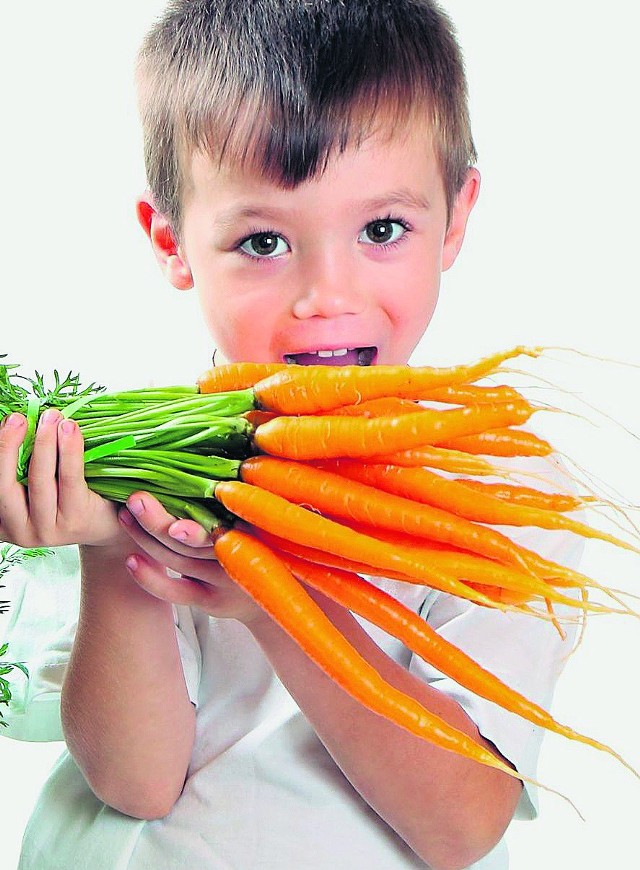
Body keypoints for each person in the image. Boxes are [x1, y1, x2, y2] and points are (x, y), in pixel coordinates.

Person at [0, 2, 582, 867]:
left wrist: (283, 606)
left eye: (382, 230)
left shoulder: (500, 496)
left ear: (455, 216)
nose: (326, 295)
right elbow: (136, 782)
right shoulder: (128, 470)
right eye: (264, 240)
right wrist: (106, 551)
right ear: (171, 239)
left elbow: (461, 827)